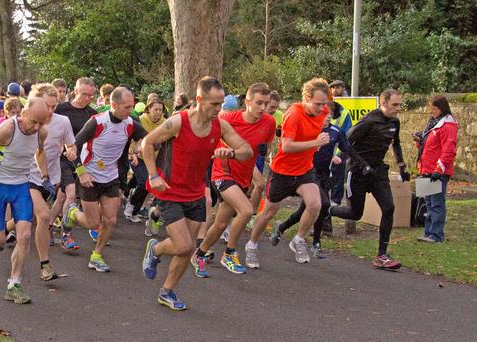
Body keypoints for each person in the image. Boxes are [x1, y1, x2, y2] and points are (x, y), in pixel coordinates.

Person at [140, 76, 251, 310]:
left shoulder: (220, 125)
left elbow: (246, 150)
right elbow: (147, 143)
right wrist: (153, 175)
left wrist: (230, 153)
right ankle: (156, 248)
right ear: (199, 100)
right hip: (169, 191)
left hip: (196, 193)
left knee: (188, 247)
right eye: (213, 104)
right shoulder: (178, 122)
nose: (218, 109)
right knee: (183, 246)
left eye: (221, 104)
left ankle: (167, 292)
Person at [0, 95, 52, 305]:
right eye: (33, 121)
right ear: (23, 114)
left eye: (41, 123)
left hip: (20, 187)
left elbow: (40, 153)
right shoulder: (8, 128)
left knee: (24, 235)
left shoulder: (41, 132)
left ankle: (14, 284)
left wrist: (45, 177)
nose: (36, 127)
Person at [245, 78, 333, 267]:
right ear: (306, 99)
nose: (322, 108)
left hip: (305, 169)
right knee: (268, 213)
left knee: (315, 204)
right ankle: (251, 246)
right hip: (282, 171)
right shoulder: (293, 114)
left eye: (324, 104)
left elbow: (322, 118)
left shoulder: (323, 110)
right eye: (318, 104)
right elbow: (287, 146)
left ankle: (299, 240)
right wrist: (315, 143)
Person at [192, 83, 275, 277]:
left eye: (266, 103)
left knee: (220, 224)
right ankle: (229, 253)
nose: (262, 108)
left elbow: (268, 147)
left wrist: (265, 151)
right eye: (258, 103)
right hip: (222, 173)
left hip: (243, 177)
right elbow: (205, 133)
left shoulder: (269, 123)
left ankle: (200, 254)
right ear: (247, 102)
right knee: (246, 210)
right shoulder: (228, 118)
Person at [270, 97, 365, 259]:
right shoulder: (309, 128)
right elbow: (285, 135)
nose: (327, 116)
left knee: (306, 210)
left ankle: (283, 227)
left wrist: (358, 162)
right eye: (325, 112)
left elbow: (347, 148)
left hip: (324, 176)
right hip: (306, 174)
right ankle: (315, 243)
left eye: (330, 113)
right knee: (323, 204)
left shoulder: (336, 131)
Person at [330, 89, 409, 270]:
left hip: (377, 171)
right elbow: (346, 142)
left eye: (399, 104)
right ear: (383, 103)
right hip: (358, 171)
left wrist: (402, 166)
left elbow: (395, 143)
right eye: (394, 105)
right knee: (355, 214)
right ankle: (326, 209)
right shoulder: (369, 121)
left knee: (389, 207)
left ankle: (382, 255)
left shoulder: (395, 122)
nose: (398, 108)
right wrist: (360, 163)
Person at [70, 87, 148, 272]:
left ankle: (96, 255)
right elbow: (73, 148)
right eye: (126, 107)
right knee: (92, 223)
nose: (130, 111)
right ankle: (71, 213)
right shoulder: (96, 123)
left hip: (111, 177)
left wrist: (140, 145)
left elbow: (149, 139)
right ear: (113, 105)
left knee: (111, 220)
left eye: (132, 106)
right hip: (89, 175)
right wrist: (81, 172)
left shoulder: (130, 123)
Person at [24, 83, 75, 281]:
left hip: (51, 178)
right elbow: (39, 152)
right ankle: (45, 266)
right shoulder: (26, 121)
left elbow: (70, 144)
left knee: (27, 217)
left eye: (54, 106)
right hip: (27, 175)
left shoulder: (63, 122)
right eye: (47, 106)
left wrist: (71, 151)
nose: (51, 111)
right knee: (44, 216)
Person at [49, 77, 98, 252]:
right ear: (75, 91)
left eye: (90, 95)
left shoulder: (92, 114)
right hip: (61, 158)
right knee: (70, 195)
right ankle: (66, 234)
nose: (87, 98)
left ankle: (47, 226)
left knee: (62, 197)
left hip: (80, 160)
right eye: (84, 94)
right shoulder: (61, 109)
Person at [416, 95, 458, 243]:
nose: (432, 111)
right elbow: (429, 146)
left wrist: (439, 170)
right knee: (428, 203)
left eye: (434, 108)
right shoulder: (433, 124)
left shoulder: (448, 125)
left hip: (436, 171)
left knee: (437, 203)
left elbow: (448, 150)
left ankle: (436, 234)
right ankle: (428, 232)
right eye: (431, 108)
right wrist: (419, 140)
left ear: (442, 108)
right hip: (426, 168)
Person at [126, 97, 166, 226]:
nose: (158, 112)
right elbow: (131, 138)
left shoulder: (165, 123)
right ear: (148, 109)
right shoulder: (141, 120)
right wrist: (132, 153)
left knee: (146, 185)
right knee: (144, 182)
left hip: (153, 159)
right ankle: (131, 208)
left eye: (161, 110)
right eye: (156, 109)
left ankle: (131, 198)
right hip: (137, 156)